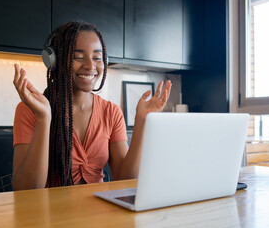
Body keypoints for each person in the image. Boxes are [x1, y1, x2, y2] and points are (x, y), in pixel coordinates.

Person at [12, 21, 172, 190]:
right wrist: (44, 118)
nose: (90, 66)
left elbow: (124, 180)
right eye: (78, 57)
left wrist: (142, 121)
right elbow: (25, 190)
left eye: (97, 58)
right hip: (51, 215)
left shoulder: (111, 112)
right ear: (54, 61)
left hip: (101, 212)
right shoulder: (30, 111)